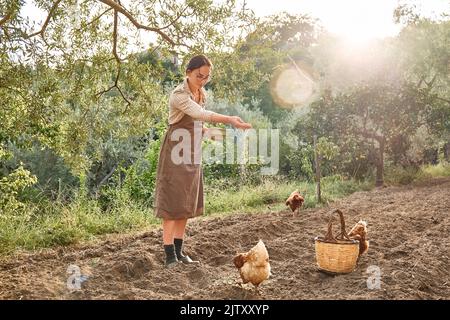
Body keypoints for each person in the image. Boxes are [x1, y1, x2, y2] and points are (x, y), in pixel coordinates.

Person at [154, 54, 252, 268]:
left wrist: (220, 134)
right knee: (172, 205)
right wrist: (229, 120)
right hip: (175, 152)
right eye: (199, 76)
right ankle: (170, 256)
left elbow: (198, 125)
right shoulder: (178, 95)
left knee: (185, 204)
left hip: (192, 151)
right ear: (188, 72)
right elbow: (199, 114)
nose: (203, 81)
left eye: (206, 77)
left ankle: (179, 253)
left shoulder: (200, 92)